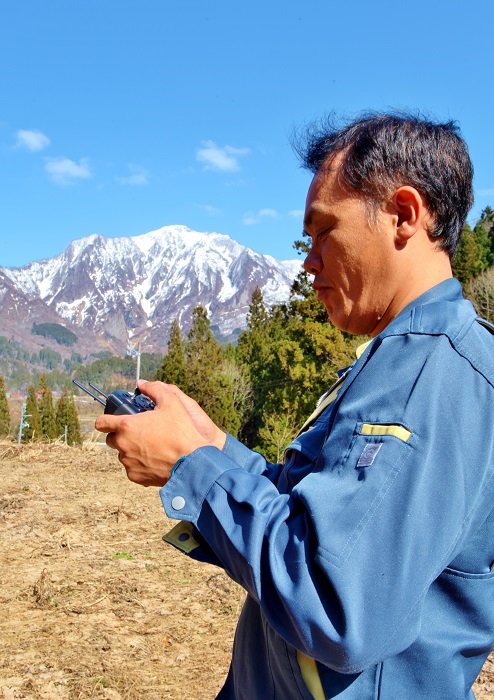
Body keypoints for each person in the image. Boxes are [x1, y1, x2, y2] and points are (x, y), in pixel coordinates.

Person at [95, 113, 494, 699]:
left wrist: (195, 468)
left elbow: (336, 604)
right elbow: (317, 510)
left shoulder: (428, 375)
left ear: (404, 216)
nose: (308, 262)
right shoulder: (402, 361)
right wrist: (212, 446)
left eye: (323, 232)